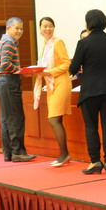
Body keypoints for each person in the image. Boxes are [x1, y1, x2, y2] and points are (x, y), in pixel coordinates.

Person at [69, 9, 106, 175]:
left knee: (91, 126)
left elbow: (73, 68)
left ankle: (95, 161)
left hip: (90, 89)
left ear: (88, 23)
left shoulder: (83, 43)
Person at [0, 17, 34, 162]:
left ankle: (9, 153)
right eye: (16, 28)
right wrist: (21, 71)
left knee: (6, 119)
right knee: (16, 118)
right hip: (9, 82)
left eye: (21, 29)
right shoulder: (9, 42)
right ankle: (18, 152)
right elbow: (6, 64)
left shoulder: (3, 41)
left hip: (2, 82)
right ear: (8, 28)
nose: (19, 31)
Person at [34, 17, 73, 166]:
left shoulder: (58, 42)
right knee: (56, 119)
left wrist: (49, 72)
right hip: (51, 85)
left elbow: (66, 64)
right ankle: (64, 154)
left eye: (50, 26)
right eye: (45, 26)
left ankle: (64, 154)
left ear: (54, 27)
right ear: (40, 29)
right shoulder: (45, 45)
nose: (48, 29)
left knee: (53, 119)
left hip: (61, 82)